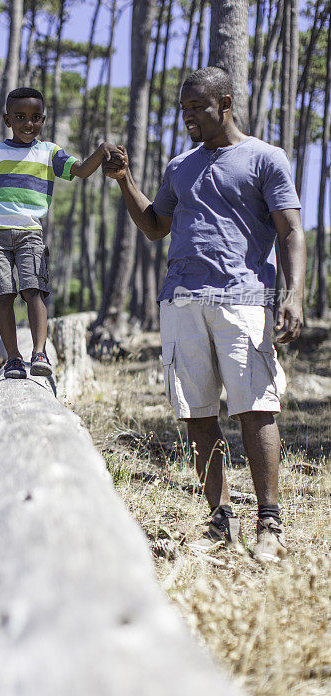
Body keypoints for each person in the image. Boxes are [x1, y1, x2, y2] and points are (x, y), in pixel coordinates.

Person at [103, 66, 306, 564]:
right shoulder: (180, 166)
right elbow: (154, 226)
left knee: (255, 408)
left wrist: (294, 293)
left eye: (199, 107)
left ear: (226, 103)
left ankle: (269, 523)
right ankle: (220, 522)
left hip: (242, 299)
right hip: (181, 300)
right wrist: (125, 179)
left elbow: (291, 232)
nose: (190, 116)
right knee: (197, 414)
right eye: (184, 108)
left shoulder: (264, 158)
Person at [0, 86, 123, 380]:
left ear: (44, 119)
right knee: (2, 294)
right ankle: (13, 358)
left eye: (36, 117)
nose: (29, 123)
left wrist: (102, 150)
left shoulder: (49, 152)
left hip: (30, 234)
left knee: (32, 290)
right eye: (21, 117)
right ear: (7, 119)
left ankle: (39, 353)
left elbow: (79, 171)